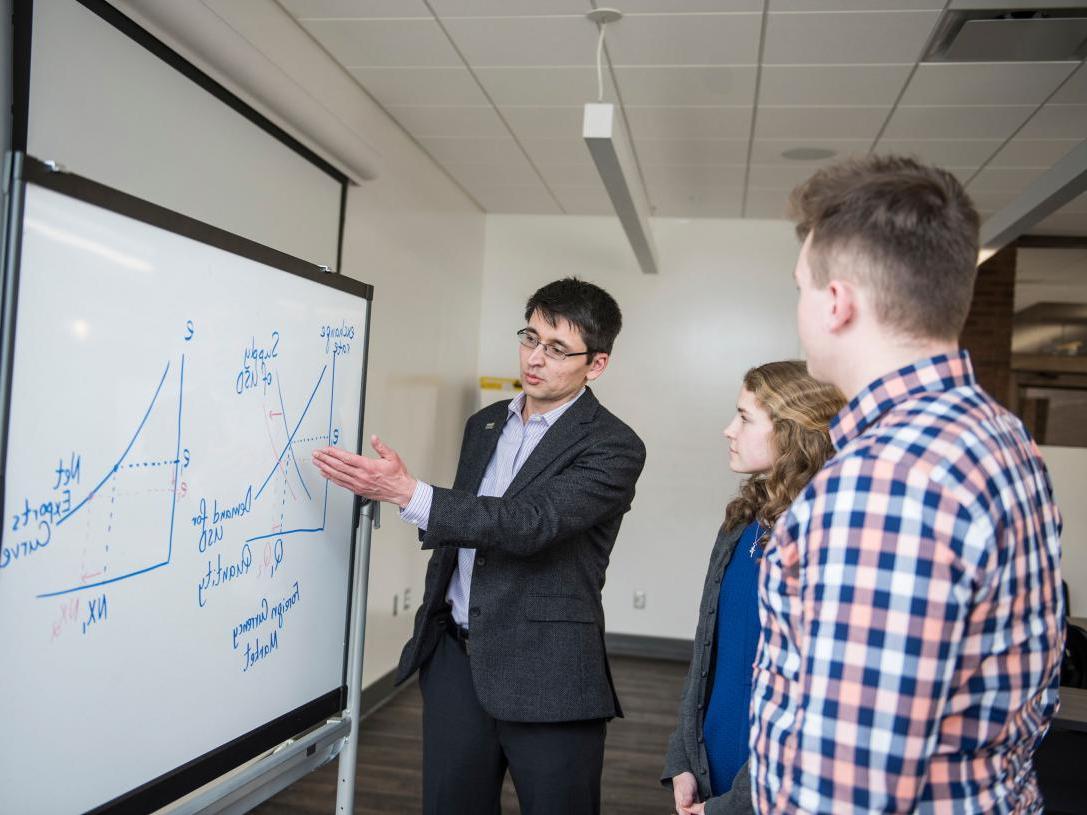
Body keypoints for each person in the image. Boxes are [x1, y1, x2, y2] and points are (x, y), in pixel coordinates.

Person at [750, 155, 1065, 813]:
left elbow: (847, 795)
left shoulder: (883, 484)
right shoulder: (998, 433)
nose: (799, 307)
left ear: (835, 302)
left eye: (799, 287)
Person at [312, 277, 646, 815]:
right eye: (530, 338)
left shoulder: (613, 445)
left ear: (597, 364)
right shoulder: (486, 423)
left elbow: (528, 524)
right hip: (454, 662)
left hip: (548, 673)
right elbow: (470, 527)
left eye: (557, 349)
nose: (535, 358)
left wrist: (409, 492)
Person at [662, 361, 844, 815]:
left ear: (792, 430)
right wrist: (682, 756)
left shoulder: (828, 536)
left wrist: (737, 803)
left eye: (744, 418)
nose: (728, 430)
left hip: (773, 791)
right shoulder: (743, 520)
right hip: (712, 768)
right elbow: (708, 651)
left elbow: (817, 700)